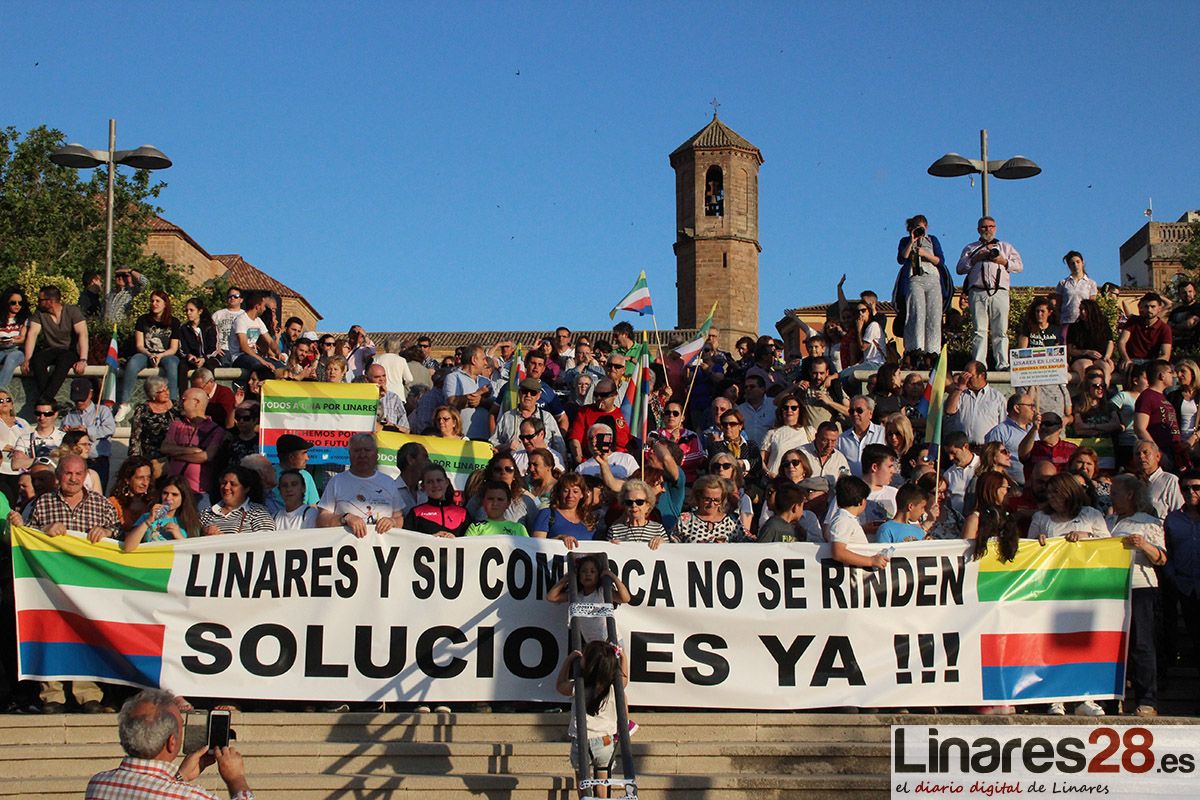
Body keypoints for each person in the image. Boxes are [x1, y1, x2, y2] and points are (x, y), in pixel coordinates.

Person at [84, 688, 252, 800]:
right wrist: (236, 779)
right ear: (172, 742)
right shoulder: (192, 797)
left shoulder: (98, 784)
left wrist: (180, 777)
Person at [1106, 474, 1167, 717]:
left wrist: (1144, 545)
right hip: (1109, 591)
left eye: (1115, 492)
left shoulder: (1148, 522)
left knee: (1142, 645)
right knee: (1111, 645)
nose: (1111, 496)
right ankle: (1111, 701)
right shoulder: (1107, 521)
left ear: (1130, 494)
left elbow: (1162, 559)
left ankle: (1147, 701)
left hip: (1141, 587)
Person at [555, 640, 630, 800]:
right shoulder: (612, 688)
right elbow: (624, 679)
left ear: (587, 664)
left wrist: (569, 660)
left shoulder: (579, 687)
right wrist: (622, 656)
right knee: (603, 781)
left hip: (582, 740)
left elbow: (560, 685)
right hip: (605, 741)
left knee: (583, 780)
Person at [956, 216, 1023, 369]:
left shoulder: (1005, 247)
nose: (988, 230)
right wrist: (975, 259)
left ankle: (1002, 363)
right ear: (978, 229)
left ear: (996, 228)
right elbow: (960, 269)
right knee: (979, 330)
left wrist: (1003, 261)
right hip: (978, 292)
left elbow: (1019, 266)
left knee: (1000, 330)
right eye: (984, 227)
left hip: (1000, 291)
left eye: (991, 226)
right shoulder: (970, 248)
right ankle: (979, 364)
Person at [316, 433, 404, 537]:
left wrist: (392, 522)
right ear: (349, 454)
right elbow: (322, 519)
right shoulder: (336, 482)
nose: (362, 455)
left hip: (381, 549)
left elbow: (399, 517)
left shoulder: (388, 482)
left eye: (367, 450)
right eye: (357, 451)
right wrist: (345, 518)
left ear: (376, 454)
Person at [115, 290, 182, 423]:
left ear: (165, 304)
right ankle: (124, 404)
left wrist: (160, 355)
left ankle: (173, 404)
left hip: (166, 354)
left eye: (158, 301)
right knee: (133, 362)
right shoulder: (142, 320)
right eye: (152, 301)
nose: (154, 304)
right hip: (146, 354)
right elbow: (139, 345)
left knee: (173, 365)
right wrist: (150, 354)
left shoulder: (174, 322)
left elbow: (173, 348)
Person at [893, 214, 951, 364]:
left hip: (932, 278)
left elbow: (940, 260)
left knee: (934, 314)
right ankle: (915, 347)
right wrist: (912, 242)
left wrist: (925, 253)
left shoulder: (932, 240)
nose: (920, 230)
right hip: (915, 278)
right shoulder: (905, 241)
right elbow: (901, 258)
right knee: (916, 312)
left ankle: (933, 349)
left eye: (922, 227)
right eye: (916, 227)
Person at [1163, 470, 1200, 694]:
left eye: (1196, 488)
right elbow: (1167, 550)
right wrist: (1173, 577)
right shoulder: (1173, 519)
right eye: (1185, 488)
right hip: (1186, 587)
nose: (1191, 492)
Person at [21, 285, 89, 404]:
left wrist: (83, 359)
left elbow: (82, 334)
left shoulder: (72, 311)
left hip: (69, 351)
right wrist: (27, 359)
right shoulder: (39, 314)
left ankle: (45, 400)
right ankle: (48, 400)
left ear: (50, 301)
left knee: (64, 362)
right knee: (37, 360)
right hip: (51, 349)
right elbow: (32, 334)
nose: (37, 302)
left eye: (40, 300)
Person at [161, 389, 225, 504]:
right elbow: (165, 448)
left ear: (196, 402)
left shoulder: (216, 430)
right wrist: (192, 450)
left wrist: (175, 455)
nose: (180, 403)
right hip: (173, 490)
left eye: (184, 400)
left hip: (199, 491)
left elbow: (206, 457)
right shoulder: (176, 425)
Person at [61, 377, 115, 489]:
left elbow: (110, 429)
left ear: (90, 394)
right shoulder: (69, 416)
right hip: (76, 463)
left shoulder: (102, 411)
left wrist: (87, 430)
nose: (79, 402)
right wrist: (65, 431)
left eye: (82, 399)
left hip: (97, 461)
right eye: (76, 400)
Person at [1134, 359, 1187, 470]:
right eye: (1170, 372)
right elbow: (1140, 428)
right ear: (1161, 376)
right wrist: (1157, 453)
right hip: (1162, 451)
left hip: (1174, 450)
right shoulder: (1147, 397)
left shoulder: (1163, 397)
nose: (1174, 376)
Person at [123, 476, 200, 551]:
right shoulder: (147, 516)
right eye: (165, 493)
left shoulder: (190, 521)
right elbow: (128, 547)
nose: (168, 498)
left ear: (183, 498)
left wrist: (179, 536)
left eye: (174, 494)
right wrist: (148, 521)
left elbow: (195, 553)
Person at [493, 377, 567, 456]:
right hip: (513, 465)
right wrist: (506, 447)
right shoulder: (507, 417)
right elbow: (493, 445)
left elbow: (560, 448)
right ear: (519, 393)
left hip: (540, 466)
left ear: (538, 396)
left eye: (533, 393)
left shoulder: (547, 418)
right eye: (525, 391)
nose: (528, 395)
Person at [827, 475, 889, 569]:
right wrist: (871, 561)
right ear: (861, 501)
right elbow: (838, 552)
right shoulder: (843, 520)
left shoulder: (848, 519)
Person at [466, 452, 540, 527]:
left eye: (509, 469)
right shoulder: (477, 500)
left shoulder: (526, 502)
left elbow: (535, 533)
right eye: (498, 469)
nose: (503, 473)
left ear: (514, 475)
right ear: (491, 474)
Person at [199, 465, 275, 535]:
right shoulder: (206, 514)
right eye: (224, 483)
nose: (226, 487)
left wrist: (221, 540)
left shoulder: (258, 512)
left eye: (233, 484)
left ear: (246, 489)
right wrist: (204, 533)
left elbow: (265, 542)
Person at [945, 361, 1006, 445]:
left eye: (970, 376)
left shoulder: (997, 397)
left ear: (982, 375)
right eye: (965, 375)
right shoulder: (961, 394)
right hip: (963, 448)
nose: (966, 379)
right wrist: (960, 388)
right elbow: (949, 410)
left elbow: (1003, 424)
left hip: (986, 447)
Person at [568, 378, 630, 461]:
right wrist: (580, 460)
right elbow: (575, 439)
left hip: (619, 461)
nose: (598, 398)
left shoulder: (624, 415)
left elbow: (633, 441)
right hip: (591, 461)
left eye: (603, 395)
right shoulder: (585, 412)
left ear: (614, 395)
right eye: (596, 395)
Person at [984, 392, 1036, 487]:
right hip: (1011, 488)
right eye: (1030, 406)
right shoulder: (1000, 432)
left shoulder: (1035, 430)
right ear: (1017, 408)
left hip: (1035, 487)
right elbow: (991, 462)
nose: (1034, 409)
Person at [444, 343, 496, 441]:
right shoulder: (453, 378)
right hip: (462, 437)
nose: (486, 363)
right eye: (483, 359)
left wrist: (481, 401)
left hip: (486, 437)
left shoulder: (486, 381)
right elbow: (450, 403)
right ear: (474, 360)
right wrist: (478, 393)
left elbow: (495, 405)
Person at [403, 463, 470, 537]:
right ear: (423, 486)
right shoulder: (415, 513)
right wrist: (430, 539)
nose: (435, 485)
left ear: (447, 482)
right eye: (429, 482)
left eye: (439, 480)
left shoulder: (463, 513)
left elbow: (472, 542)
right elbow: (406, 541)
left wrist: (455, 540)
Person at [672, 476, 742, 543]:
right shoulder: (684, 521)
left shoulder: (733, 521)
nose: (711, 504)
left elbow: (748, 542)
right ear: (698, 497)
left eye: (716, 500)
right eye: (707, 499)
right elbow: (672, 547)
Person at [227, 290, 283, 372]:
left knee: (281, 367)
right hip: (240, 357)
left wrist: (278, 353)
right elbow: (244, 347)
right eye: (264, 306)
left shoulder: (258, 321)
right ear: (257, 307)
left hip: (253, 356)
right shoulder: (240, 320)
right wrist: (263, 361)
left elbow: (270, 341)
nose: (264, 309)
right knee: (261, 367)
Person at [761, 391, 813, 478]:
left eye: (794, 408)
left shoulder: (810, 431)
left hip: (801, 483)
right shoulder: (772, 433)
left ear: (800, 410)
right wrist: (768, 473)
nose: (789, 410)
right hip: (776, 481)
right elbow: (761, 459)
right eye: (785, 407)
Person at [1117, 293, 1172, 375]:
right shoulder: (1133, 321)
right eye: (1146, 306)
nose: (1149, 310)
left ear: (1159, 308)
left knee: (1172, 376)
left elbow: (1165, 355)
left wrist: (1152, 366)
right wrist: (1126, 359)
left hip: (1152, 362)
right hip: (1132, 360)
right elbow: (1121, 342)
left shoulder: (1164, 328)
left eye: (1153, 306)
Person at [1067, 299, 1116, 387]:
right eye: (1080, 309)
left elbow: (1110, 342)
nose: (1082, 312)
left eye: (1085, 309)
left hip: (1100, 357)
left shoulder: (1103, 324)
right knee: (1085, 366)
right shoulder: (1074, 327)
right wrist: (1086, 352)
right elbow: (1070, 350)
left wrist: (1107, 356)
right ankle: (1086, 392)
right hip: (1081, 358)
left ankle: (1104, 391)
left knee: (1105, 367)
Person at [1130, 440, 1183, 521]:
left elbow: (1178, 512)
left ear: (1158, 456)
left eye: (1145, 452)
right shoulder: (1131, 482)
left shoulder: (1169, 480)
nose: (1141, 456)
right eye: (1137, 454)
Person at [1018, 412, 1077, 483]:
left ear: (1060, 428)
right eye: (1041, 424)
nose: (1043, 427)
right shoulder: (1032, 447)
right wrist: (1034, 428)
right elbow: (1022, 453)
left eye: (1048, 424)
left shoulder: (1072, 449)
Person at [836, 396, 884, 477]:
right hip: (853, 487)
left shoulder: (883, 433)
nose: (855, 414)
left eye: (859, 410)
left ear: (870, 414)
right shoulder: (841, 439)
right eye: (851, 411)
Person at [10, 400, 64, 470]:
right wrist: (52, 460)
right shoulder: (24, 438)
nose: (42, 417)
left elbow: (67, 463)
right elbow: (15, 464)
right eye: (38, 413)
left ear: (55, 414)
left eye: (47, 414)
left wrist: (29, 460)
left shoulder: (65, 437)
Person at [465, 481, 530, 537]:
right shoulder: (475, 527)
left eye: (500, 499)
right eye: (490, 499)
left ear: (508, 503)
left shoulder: (519, 528)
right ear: (483, 502)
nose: (495, 503)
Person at [107, 457, 154, 534]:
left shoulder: (153, 502)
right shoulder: (114, 503)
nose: (145, 483)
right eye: (140, 478)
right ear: (127, 480)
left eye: (148, 478)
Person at [0, 387, 30, 502]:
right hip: (2, 468)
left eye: (7, 400)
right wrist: (3, 446)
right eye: (0, 401)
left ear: (12, 404)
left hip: (20, 469)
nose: (4, 403)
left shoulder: (21, 421)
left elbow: (30, 438)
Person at [365, 363, 410, 432]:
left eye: (384, 376)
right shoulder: (363, 397)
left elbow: (406, 428)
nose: (382, 379)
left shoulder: (393, 398)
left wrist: (391, 425)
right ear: (367, 379)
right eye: (377, 377)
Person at [0, 287, 29, 388]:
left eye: (20, 303)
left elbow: (23, 338)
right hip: (1, 348)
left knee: (11, 359)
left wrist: (12, 341)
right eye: (13, 302)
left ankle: (0, 390)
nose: (17, 305)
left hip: (17, 350)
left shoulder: (24, 319)